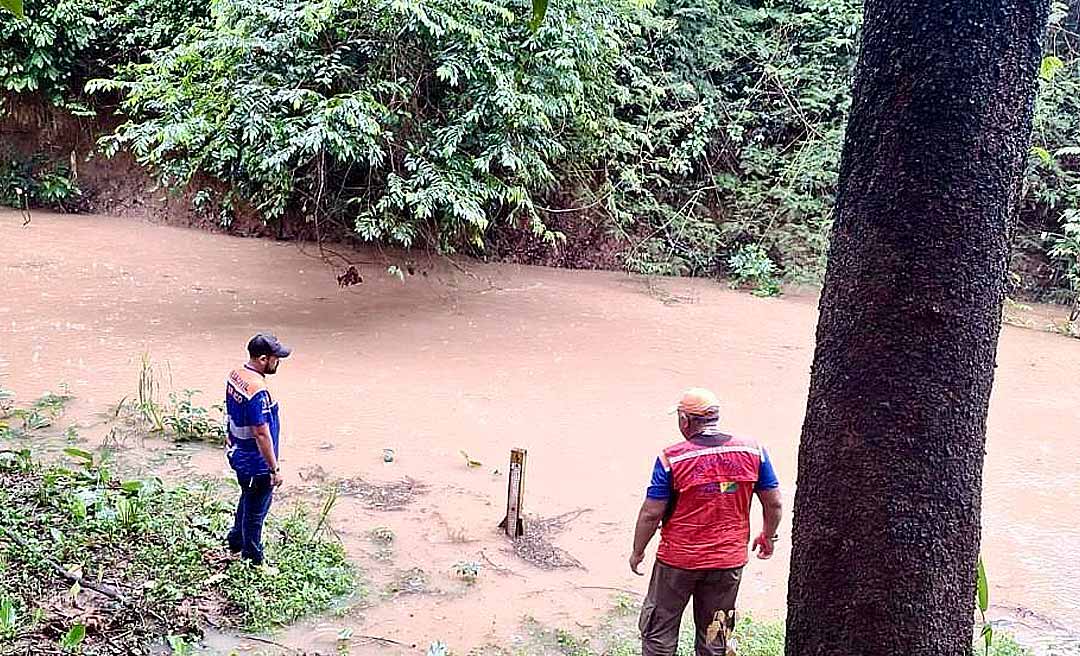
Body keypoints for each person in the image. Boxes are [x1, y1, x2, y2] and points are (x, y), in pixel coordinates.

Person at [630, 388, 783, 656]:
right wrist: (768, 536)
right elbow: (774, 503)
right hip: (728, 561)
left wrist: (638, 551)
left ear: (684, 420)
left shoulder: (672, 458)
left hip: (677, 561)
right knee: (716, 637)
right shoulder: (753, 451)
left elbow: (651, 514)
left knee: (659, 633)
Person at [224, 332, 291, 569]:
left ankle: (235, 541)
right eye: (275, 358)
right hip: (256, 462)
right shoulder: (257, 390)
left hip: (238, 452)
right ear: (263, 359)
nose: (278, 362)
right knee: (256, 512)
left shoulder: (236, 375)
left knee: (247, 497)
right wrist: (274, 469)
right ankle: (253, 561)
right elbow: (261, 433)